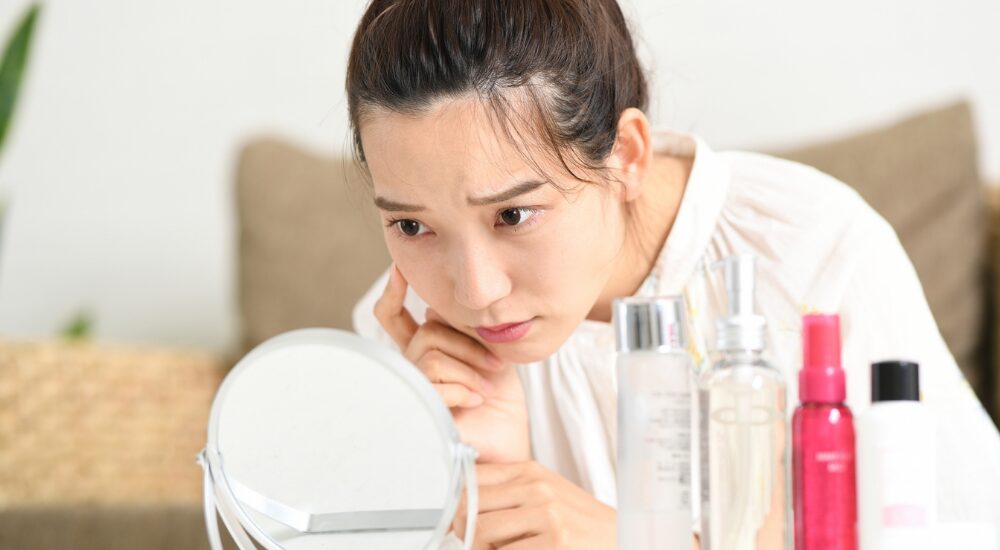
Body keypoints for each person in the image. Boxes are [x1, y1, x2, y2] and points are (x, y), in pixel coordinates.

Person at [345, 0, 1000, 547]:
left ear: (627, 156)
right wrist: (484, 481)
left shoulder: (808, 254)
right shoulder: (416, 349)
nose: (475, 291)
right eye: (411, 225)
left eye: (512, 215)